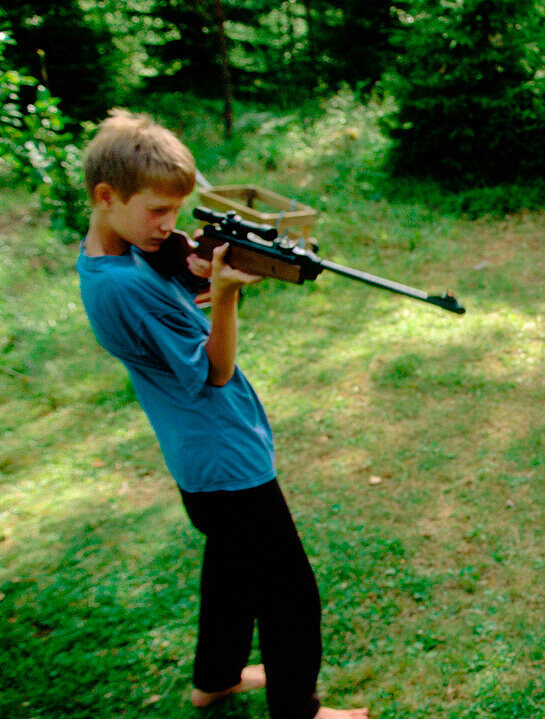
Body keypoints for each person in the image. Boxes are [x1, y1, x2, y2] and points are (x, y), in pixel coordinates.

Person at [76, 109, 367, 719]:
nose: (169, 226)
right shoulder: (122, 284)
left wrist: (212, 277)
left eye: (175, 212)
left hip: (202, 460)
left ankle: (216, 678)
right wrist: (229, 293)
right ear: (106, 197)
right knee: (289, 594)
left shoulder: (116, 261)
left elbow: (177, 302)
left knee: (232, 570)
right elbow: (215, 369)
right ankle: (298, 711)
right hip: (225, 460)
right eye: (156, 211)